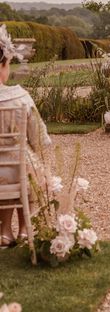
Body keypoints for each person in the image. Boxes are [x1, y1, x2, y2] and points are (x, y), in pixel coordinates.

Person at [0, 25, 51, 247]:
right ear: (3, 65)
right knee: (30, 163)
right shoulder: (21, 97)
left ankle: (3, 231)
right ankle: (23, 228)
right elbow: (39, 138)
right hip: (18, 170)